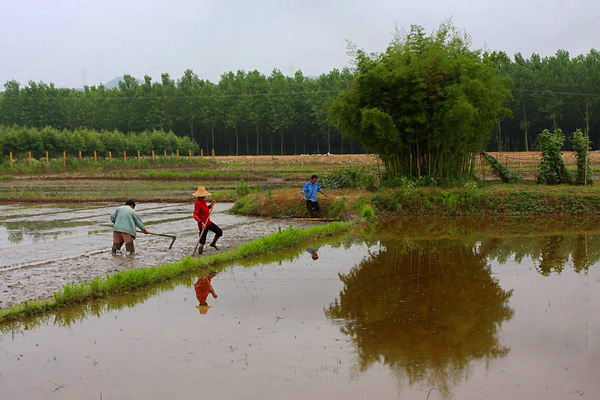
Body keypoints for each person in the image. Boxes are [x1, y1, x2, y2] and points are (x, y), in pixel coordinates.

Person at [192, 186, 223, 255]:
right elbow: (195, 215)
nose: (204, 196)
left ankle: (213, 243)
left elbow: (206, 209)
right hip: (202, 225)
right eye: (203, 195)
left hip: (208, 222)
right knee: (202, 241)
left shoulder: (203, 202)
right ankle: (200, 254)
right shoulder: (198, 204)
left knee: (219, 231)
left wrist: (211, 205)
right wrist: (201, 223)